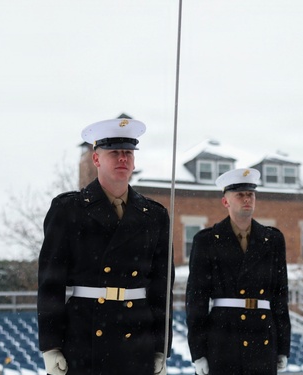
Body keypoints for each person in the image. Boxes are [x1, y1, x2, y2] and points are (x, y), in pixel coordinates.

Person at [38, 118, 174, 375]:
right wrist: (51, 346)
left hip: (137, 335)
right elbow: (50, 283)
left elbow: (161, 287)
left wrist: (160, 346)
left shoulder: (154, 215)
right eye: (114, 153)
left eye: (128, 153)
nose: (123, 158)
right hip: (84, 334)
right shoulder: (69, 210)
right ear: (97, 160)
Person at [186, 168, 291, 375]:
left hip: (262, 337)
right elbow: (196, 300)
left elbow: (280, 296)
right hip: (224, 337)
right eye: (240, 195)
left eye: (250, 194)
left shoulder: (273, 240)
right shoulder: (207, 240)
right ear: (226, 202)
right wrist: (198, 352)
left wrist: (283, 348)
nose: (246, 199)